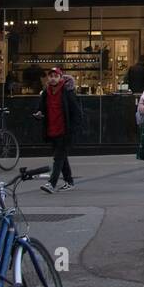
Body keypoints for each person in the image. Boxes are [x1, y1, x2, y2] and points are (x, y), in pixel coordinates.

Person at [34, 66, 82, 194]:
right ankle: (69, 181)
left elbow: (77, 112)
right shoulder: (46, 92)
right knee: (61, 157)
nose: (53, 79)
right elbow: (41, 108)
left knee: (58, 157)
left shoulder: (67, 92)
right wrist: (39, 114)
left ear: (61, 78)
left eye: (56, 76)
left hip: (64, 130)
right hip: (52, 129)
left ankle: (51, 183)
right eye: (51, 76)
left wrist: (73, 130)